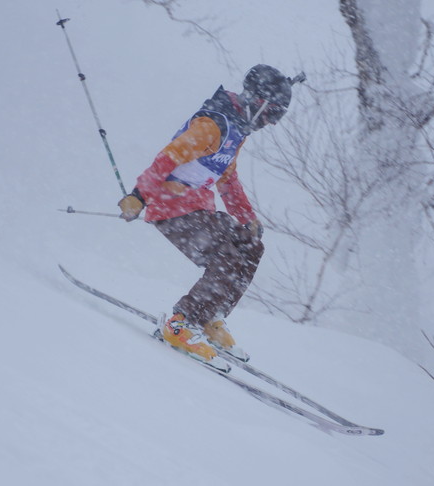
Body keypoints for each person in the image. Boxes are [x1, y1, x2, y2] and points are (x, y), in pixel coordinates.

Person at [118, 65, 303, 370]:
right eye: (273, 114)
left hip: (197, 208)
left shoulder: (236, 131)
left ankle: (209, 316)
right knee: (226, 255)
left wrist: (247, 218)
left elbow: (227, 178)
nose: (271, 123)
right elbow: (167, 159)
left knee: (251, 245)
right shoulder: (211, 126)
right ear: (258, 103)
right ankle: (182, 323)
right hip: (171, 207)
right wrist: (138, 196)